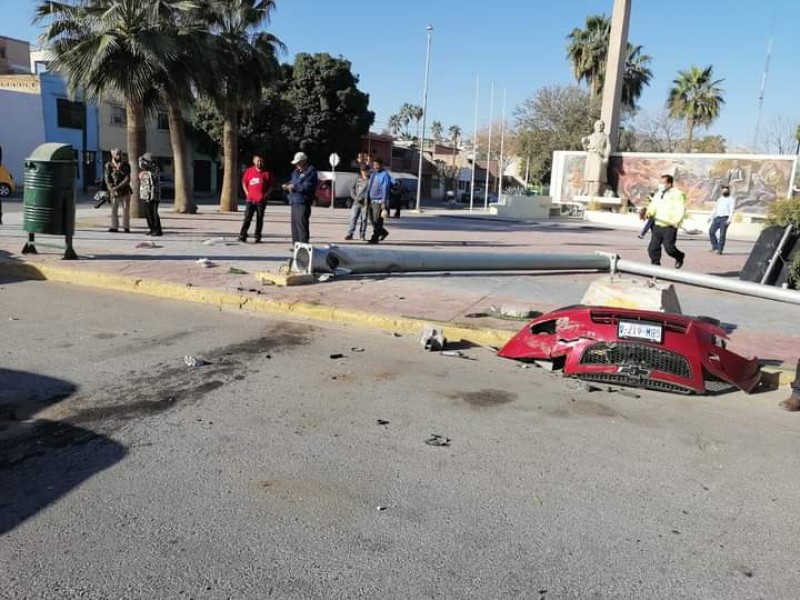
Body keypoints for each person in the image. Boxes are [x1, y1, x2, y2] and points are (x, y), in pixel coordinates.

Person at [645, 174, 687, 268]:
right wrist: (649, 212)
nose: (661, 184)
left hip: (670, 226)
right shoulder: (659, 193)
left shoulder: (677, 194)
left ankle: (679, 256)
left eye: (663, 183)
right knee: (652, 248)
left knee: (669, 248)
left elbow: (680, 208)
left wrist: (676, 220)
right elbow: (654, 204)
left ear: (669, 183)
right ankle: (655, 267)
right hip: (657, 225)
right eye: (660, 182)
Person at [283, 151, 318, 246]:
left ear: (304, 161)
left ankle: (303, 247)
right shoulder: (295, 172)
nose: (296, 164)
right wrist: (287, 185)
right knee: (294, 226)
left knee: (302, 226)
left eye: (298, 162)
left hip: (303, 202)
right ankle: (296, 246)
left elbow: (308, 185)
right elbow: (292, 181)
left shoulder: (311, 171)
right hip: (294, 201)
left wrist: (294, 187)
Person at [238, 155, 273, 243]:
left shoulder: (267, 173)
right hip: (250, 200)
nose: (259, 163)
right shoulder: (249, 171)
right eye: (258, 161)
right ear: (254, 161)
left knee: (259, 218)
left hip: (261, 201)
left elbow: (271, 186)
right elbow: (244, 183)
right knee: (247, 218)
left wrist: (265, 195)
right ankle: (242, 235)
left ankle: (257, 236)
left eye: (261, 161)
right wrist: (247, 193)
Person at [581, 119, 611, 197]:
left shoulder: (605, 136)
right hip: (591, 156)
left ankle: (596, 192)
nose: (600, 126)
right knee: (588, 175)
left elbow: (608, 148)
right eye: (598, 125)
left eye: (601, 125)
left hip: (599, 156)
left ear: (603, 127)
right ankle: (587, 191)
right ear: (595, 126)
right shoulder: (590, 136)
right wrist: (583, 143)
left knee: (598, 174)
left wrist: (606, 157)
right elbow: (586, 149)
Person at [104, 148, 132, 233]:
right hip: (114, 192)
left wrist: (118, 187)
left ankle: (126, 227)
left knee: (126, 210)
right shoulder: (108, 165)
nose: (119, 155)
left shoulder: (126, 165)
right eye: (117, 154)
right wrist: (112, 188)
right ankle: (114, 227)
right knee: (114, 210)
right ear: (112, 155)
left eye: (120, 154)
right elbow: (107, 178)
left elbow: (127, 178)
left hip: (125, 191)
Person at [366, 158, 391, 244]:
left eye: (377, 165)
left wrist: (383, 202)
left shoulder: (384, 175)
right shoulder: (374, 174)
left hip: (379, 201)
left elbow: (385, 189)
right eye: (374, 165)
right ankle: (383, 232)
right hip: (371, 200)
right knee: (372, 219)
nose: (375, 167)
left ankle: (374, 238)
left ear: (381, 165)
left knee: (377, 220)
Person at [138, 153, 162, 236]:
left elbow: (154, 176)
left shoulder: (155, 168)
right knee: (147, 213)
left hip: (154, 194)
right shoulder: (145, 169)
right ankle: (151, 229)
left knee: (154, 213)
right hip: (145, 194)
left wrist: (146, 171)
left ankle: (158, 230)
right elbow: (141, 165)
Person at [345, 163, 371, 240]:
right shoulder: (357, 179)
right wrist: (355, 197)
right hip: (357, 202)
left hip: (366, 203)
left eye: (365, 170)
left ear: (368, 171)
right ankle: (350, 234)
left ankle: (362, 235)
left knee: (364, 219)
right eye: (362, 170)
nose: (364, 172)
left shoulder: (371, 180)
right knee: (353, 218)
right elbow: (352, 189)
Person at [708, 184, 735, 254]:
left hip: (725, 219)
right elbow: (715, 209)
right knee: (711, 232)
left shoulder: (731, 199)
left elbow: (732, 210)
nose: (724, 191)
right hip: (717, 218)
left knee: (722, 235)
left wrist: (729, 219)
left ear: (728, 191)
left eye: (726, 190)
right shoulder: (720, 199)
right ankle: (715, 246)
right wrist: (711, 217)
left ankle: (720, 250)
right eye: (723, 190)